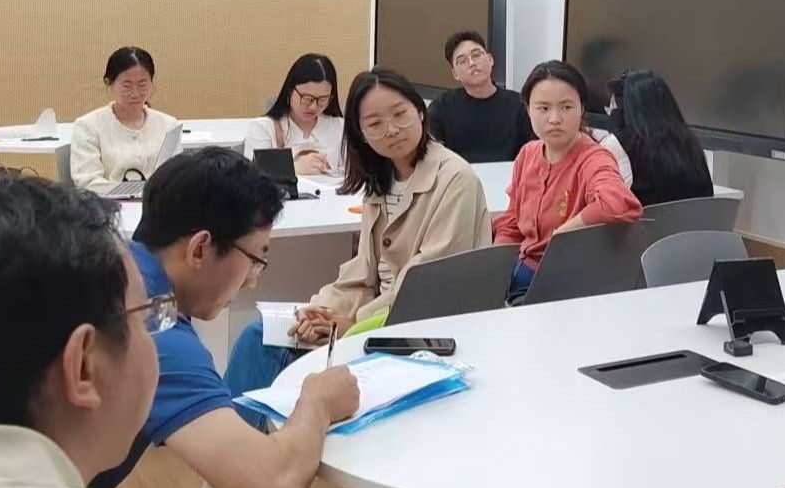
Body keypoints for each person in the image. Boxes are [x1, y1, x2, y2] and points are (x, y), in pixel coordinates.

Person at [0, 148, 359, 488]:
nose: (252, 279)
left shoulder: (70, 280)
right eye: (257, 257)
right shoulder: (141, 321)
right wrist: (316, 401)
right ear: (83, 365)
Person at [251, 67, 489, 354]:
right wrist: (321, 309)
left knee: (271, 350)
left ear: (420, 112)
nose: (392, 130)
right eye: (375, 124)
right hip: (375, 318)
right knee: (261, 334)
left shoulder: (456, 179)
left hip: (416, 331)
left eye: (400, 114)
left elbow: (425, 287)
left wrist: (352, 325)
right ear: (361, 135)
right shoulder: (381, 178)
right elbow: (363, 269)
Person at [493, 60, 642, 297]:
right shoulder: (528, 154)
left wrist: (561, 236)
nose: (554, 118)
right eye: (543, 108)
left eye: (566, 107)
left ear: (581, 108)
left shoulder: (593, 158)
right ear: (528, 110)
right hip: (517, 269)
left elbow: (619, 203)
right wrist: (493, 269)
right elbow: (511, 222)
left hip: (562, 282)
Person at [71, 46, 182, 195]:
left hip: (158, 205)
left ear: (152, 82)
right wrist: (135, 191)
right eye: (127, 86)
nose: (135, 93)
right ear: (109, 83)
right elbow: (87, 183)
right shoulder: (87, 126)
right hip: (107, 205)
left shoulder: (169, 125)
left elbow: (176, 177)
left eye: (142, 84)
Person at [607, 69, 713, 206]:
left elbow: (608, 204)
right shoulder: (690, 142)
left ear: (624, 111)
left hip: (646, 220)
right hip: (697, 220)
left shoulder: (619, 144)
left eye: (612, 109)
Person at [427, 30, 531, 162]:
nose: (472, 63)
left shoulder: (520, 104)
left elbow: (533, 154)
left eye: (476, 55)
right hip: (460, 174)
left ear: (490, 59)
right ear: (455, 74)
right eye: (462, 61)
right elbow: (434, 157)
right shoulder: (441, 108)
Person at [245, 54, 345, 177]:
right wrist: (293, 168)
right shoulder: (264, 128)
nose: (313, 106)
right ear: (290, 91)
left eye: (322, 100)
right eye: (307, 98)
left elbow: (357, 174)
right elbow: (251, 177)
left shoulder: (340, 127)